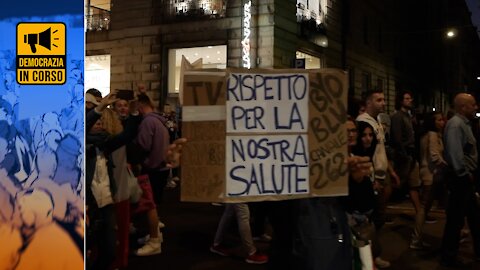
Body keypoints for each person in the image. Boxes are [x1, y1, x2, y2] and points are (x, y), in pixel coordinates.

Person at [441, 92, 480, 267]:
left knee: (474, 216)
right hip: (461, 179)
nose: (476, 107)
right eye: (473, 104)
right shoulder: (456, 125)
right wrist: (465, 174)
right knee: (456, 221)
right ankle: (449, 258)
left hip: (465, 178)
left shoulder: (464, 124)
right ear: (463, 107)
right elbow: (455, 155)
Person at [347, 119, 390, 268]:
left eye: (353, 131)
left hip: (363, 214)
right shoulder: (344, 159)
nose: (351, 135)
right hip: (353, 215)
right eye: (347, 131)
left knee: (365, 257)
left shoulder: (357, 153)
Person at [390, 90, 427, 249]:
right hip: (405, 157)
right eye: (406, 98)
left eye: (410, 98)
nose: (410, 100)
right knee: (395, 184)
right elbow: (397, 139)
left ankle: (420, 213)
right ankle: (379, 212)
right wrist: (404, 155)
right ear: (400, 100)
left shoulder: (408, 116)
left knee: (413, 186)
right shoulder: (398, 116)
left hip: (411, 156)